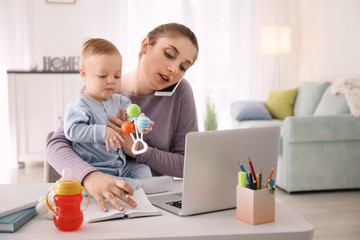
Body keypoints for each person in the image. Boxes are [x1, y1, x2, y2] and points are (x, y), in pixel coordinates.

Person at [47, 23, 199, 212]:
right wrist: (90, 177)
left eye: (184, 67)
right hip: (102, 197)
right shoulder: (98, 88)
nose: (174, 69)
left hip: (155, 202)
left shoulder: (181, 92)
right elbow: (56, 145)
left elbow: (188, 164)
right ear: (145, 46)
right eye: (169, 54)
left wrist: (138, 150)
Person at [63, 38, 172, 195]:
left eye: (117, 76)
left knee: (142, 168)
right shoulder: (80, 104)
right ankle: (138, 186)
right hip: (96, 167)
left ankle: (140, 184)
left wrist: (140, 123)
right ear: (84, 74)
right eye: (102, 76)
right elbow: (72, 131)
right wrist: (103, 132)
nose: (111, 81)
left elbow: (131, 116)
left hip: (121, 164)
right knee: (102, 183)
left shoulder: (119, 100)